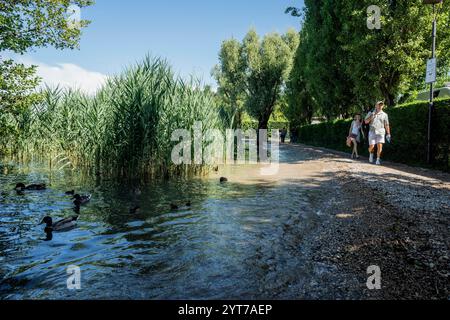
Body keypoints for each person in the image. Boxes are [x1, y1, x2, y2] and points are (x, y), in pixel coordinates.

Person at [364, 101, 391, 165]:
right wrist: (372, 115)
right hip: (372, 131)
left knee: (380, 146)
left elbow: (386, 124)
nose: (380, 106)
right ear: (375, 106)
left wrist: (388, 133)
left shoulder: (385, 115)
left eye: (381, 105)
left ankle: (378, 159)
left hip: (381, 131)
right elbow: (366, 122)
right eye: (378, 105)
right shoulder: (370, 113)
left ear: (383, 106)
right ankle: (371, 153)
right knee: (372, 147)